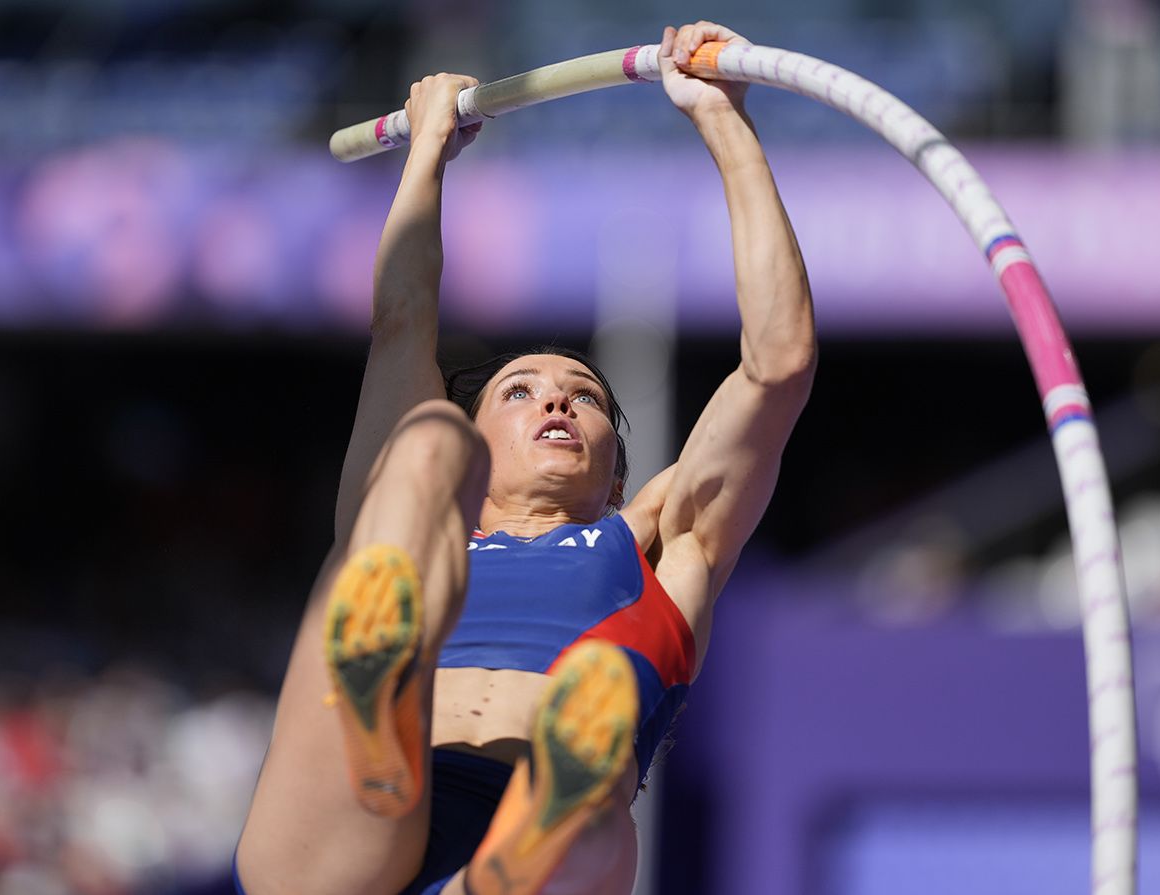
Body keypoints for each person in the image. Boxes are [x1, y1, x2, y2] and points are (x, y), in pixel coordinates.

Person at [236, 20, 816, 895]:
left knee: (592, 813)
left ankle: (533, 825)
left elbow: (777, 366)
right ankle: (387, 710)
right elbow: (400, 325)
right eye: (521, 390)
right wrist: (425, 152)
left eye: (584, 395)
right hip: (348, 831)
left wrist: (722, 120)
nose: (555, 399)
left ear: (620, 468)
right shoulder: (415, 525)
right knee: (423, 447)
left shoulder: (661, 544)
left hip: (532, 827)